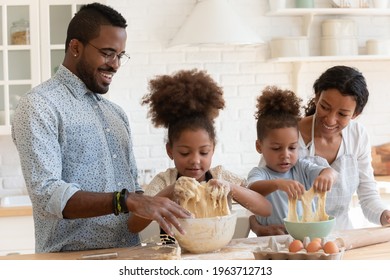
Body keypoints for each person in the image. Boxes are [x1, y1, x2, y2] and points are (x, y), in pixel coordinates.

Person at [11, 3, 191, 253]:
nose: (115, 64)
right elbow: (47, 195)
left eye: (120, 55)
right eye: (107, 53)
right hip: (70, 263)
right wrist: (126, 200)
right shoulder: (39, 105)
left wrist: (160, 199)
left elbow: (132, 203)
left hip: (128, 257)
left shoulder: (116, 114)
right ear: (75, 47)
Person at [127, 69, 272, 241]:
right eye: (185, 152)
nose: (195, 160)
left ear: (213, 149)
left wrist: (231, 188)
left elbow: (265, 209)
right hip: (174, 257)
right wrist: (168, 193)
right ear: (170, 151)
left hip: (216, 255)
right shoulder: (164, 182)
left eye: (203, 152)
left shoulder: (220, 176)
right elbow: (133, 226)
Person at [298, 65, 390, 229]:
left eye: (342, 114)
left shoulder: (357, 135)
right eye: (325, 107)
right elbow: (264, 186)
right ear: (317, 97)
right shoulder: (290, 134)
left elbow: (368, 195)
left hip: (343, 237)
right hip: (293, 236)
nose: (330, 120)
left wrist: (384, 215)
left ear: (355, 114)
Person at [247, 86, 337, 236]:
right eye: (276, 148)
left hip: (307, 236)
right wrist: (277, 184)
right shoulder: (260, 173)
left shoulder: (301, 167)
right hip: (273, 238)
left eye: (292, 147)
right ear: (259, 146)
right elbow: (252, 189)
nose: (285, 155)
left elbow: (330, 172)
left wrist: (328, 175)